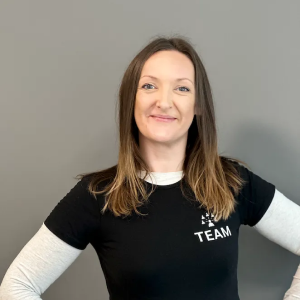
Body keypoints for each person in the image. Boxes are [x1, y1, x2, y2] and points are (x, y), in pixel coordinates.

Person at [0, 35, 299, 300]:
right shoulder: (97, 196)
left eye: (181, 88)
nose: (164, 101)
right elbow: (16, 286)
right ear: (132, 99)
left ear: (198, 105)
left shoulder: (232, 182)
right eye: (149, 86)